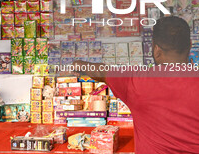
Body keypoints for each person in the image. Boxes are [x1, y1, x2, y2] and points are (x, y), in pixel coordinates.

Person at [72, 16, 199, 153]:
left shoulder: (136, 80)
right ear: (190, 45)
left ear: (156, 50)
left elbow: (100, 71)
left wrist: (79, 65)